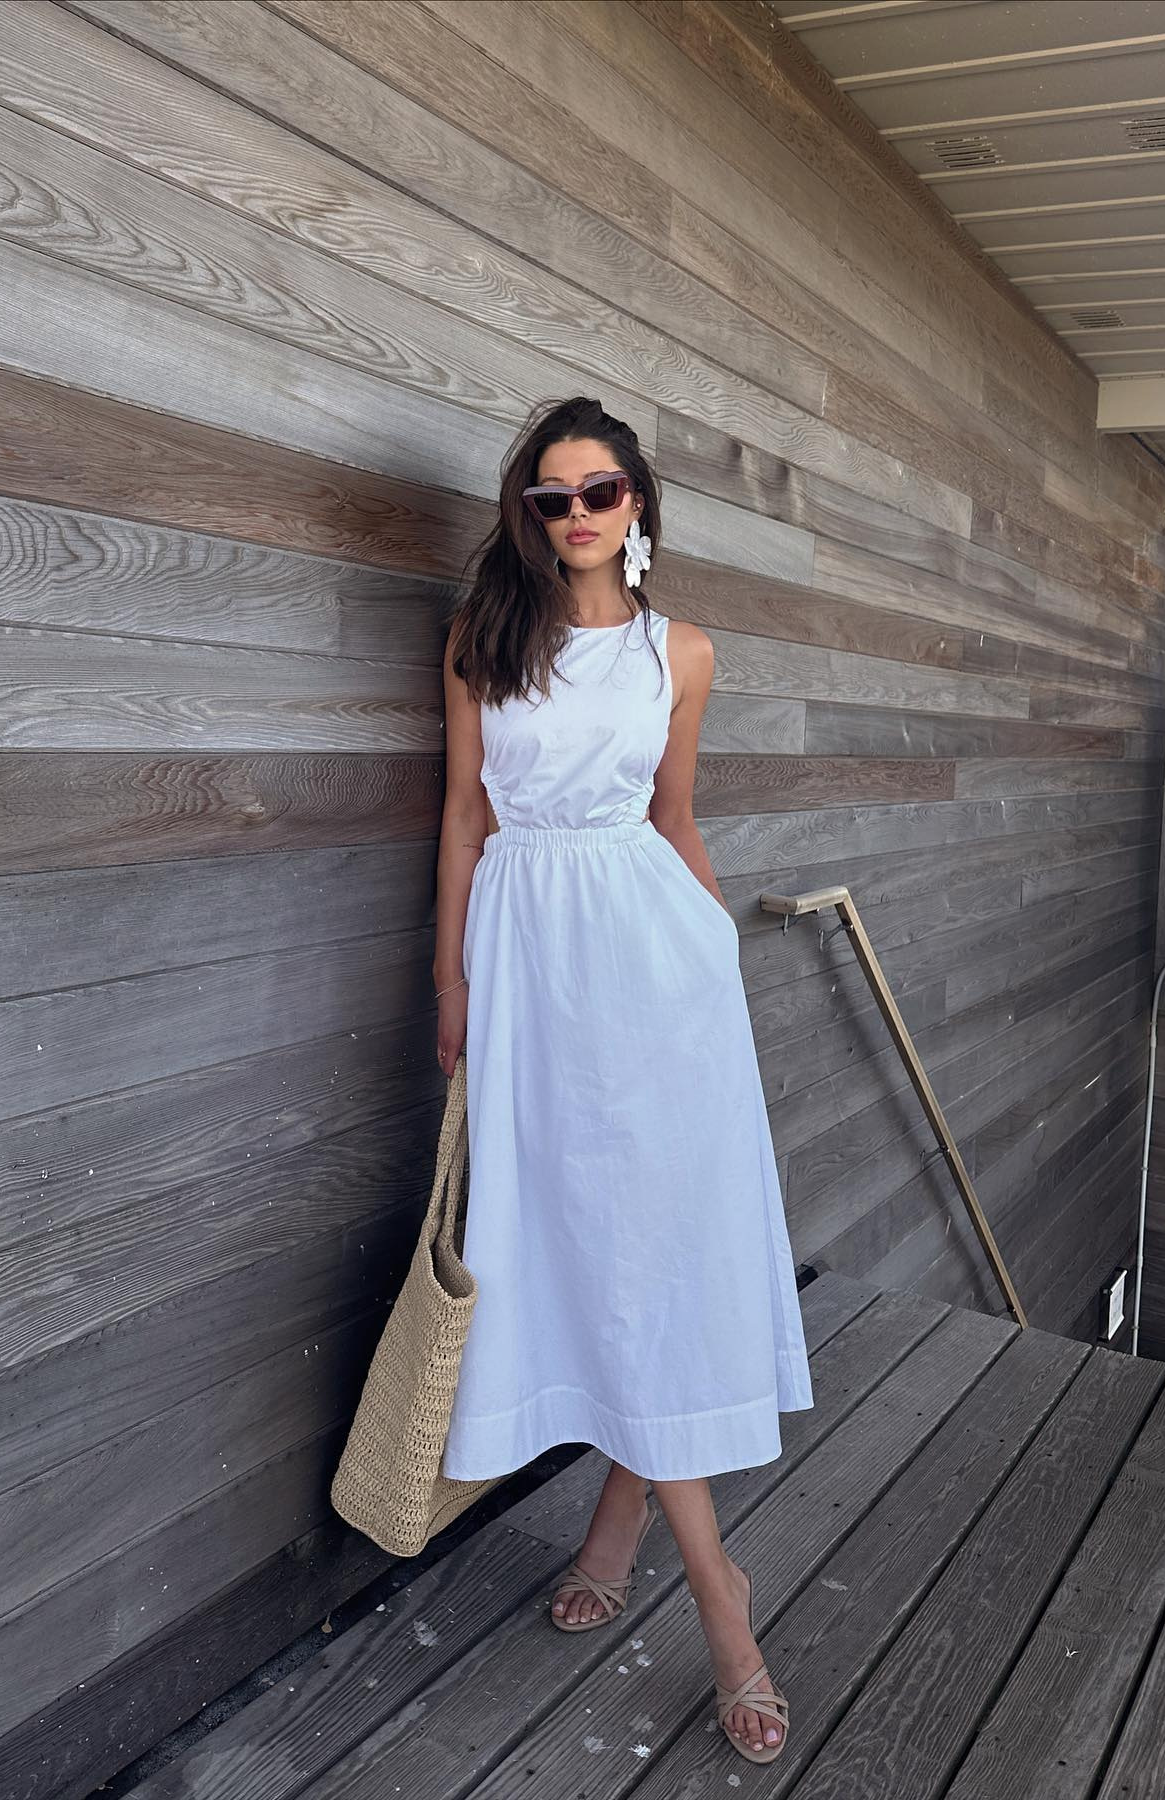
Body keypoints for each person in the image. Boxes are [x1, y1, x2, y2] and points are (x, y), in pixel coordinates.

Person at [432, 396, 812, 1761]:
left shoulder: (680, 653)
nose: (578, 514)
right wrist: (450, 985)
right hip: (529, 973)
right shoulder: (485, 642)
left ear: (637, 502)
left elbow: (676, 818)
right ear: (528, 514)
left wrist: (716, 956)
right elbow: (464, 818)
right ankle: (626, 1517)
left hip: (658, 975)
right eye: (553, 497)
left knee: (646, 1252)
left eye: (600, 491)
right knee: (588, 1248)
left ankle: (718, 1601)